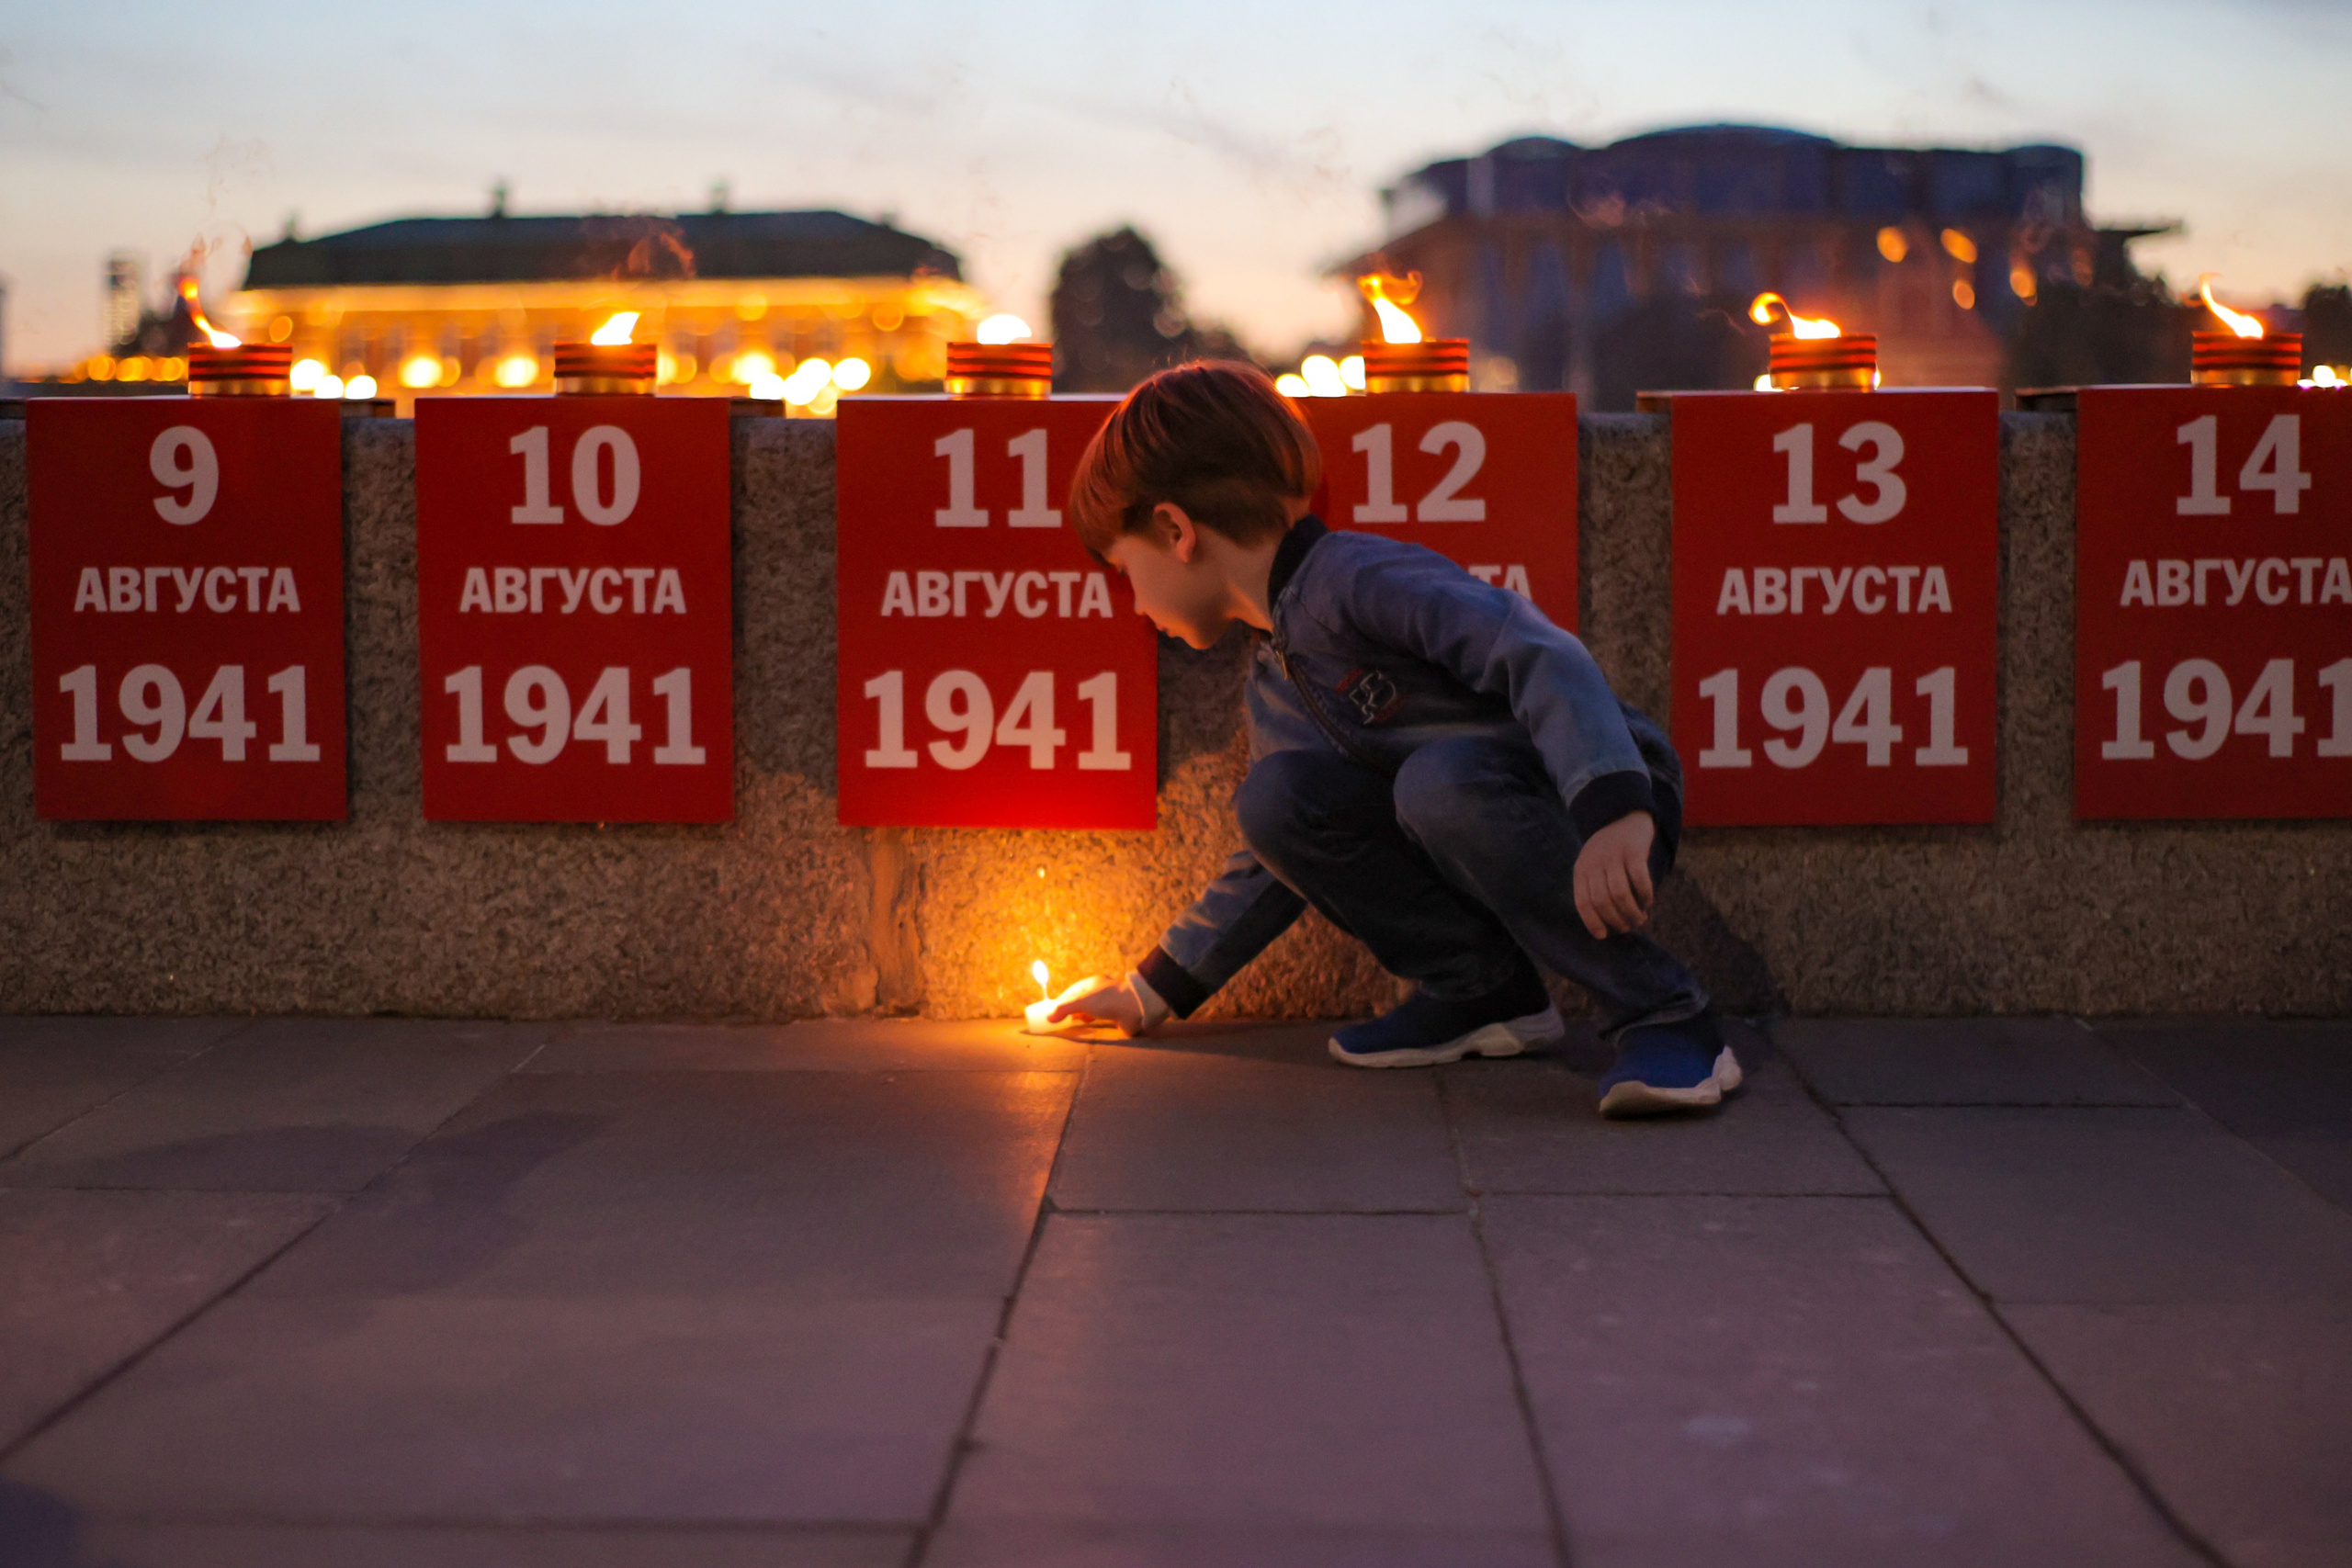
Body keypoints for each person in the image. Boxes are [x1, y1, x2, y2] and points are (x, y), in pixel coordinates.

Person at [1048, 361, 1738, 1117]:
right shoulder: (1274, 677)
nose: (1136, 604)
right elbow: (1270, 862)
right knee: (1276, 801)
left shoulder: (1355, 577)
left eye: (1124, 570)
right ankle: (1483, 993)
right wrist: (1154, 989)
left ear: (1175, 530)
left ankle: (1666, 1013)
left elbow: (1535, 649)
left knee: (1437, 783)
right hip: (1469, 812)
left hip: (1601, 795)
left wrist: (1614, 807)